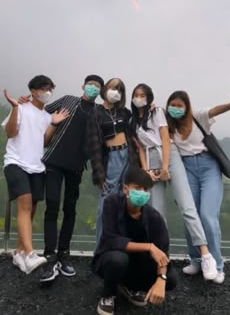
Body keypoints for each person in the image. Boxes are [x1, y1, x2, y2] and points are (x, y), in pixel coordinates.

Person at [18, 74, 104, 283]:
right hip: (54, 161)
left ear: (100, 92)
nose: (93, 88)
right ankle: (49, 255)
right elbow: (41, 111)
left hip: (76, 167)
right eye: (90, 84)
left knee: (70, 209)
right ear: (83, 85)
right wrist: (24, 101)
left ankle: (64, 254)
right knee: (52, 206)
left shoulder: (97, 112)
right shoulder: (68, 100)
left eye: (97, 86)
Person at [130, 83, 218, 281]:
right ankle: (162, 259)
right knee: (157, 213)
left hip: (169, 158)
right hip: (150, 163)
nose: (139, 98)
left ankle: (205, 255)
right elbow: (141, 148)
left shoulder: (158, 112)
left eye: (143, 95)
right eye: (136, 95)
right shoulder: (134, 120)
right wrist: (146, 170)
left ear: (149, 96)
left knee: (187, 207)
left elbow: (165, 139)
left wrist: (164, 167)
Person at [166, 91, 230, 284]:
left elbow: (216, 110)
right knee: (191, 215)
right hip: (186, 169)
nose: (176, 109)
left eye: (180, 105)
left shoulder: (197, 117)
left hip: (208, 168)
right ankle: (196, 260)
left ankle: (217, 265)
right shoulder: (169, 125)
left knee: (207, 216)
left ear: (187, 106)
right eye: (173, 105)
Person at [1, 75, 69, 274]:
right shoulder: (21, 108)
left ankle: (19, 252)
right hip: (16, 162)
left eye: (49, 88)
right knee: (25, 203)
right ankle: (30, 254)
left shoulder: (47, 116)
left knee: (31, 209)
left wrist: (54, 123)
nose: (46, 92)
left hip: (37, 166)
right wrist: (14, 107)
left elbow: (45, 142)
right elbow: (11, 133)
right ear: (32, 91)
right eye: (42, 88)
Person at [92, 167, 178, 315]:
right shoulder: (111, 203)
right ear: (126, 189)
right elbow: (111, 240)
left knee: (171, 279)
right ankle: (108, 295)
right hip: (110, 261)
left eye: (146, 189)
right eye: (137, 188)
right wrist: (149, 247)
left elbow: (163, 252)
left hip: (139, 265)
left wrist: (161, 278)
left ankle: (132, 287)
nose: (142, 193)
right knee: (118, 259)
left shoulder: (154, 218)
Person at [87, 78, 139, 245]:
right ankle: (101, 250)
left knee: (126, 205)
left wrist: (150, 107)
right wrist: (99, 175)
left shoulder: (124, 112)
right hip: (111, 160)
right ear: (105, 89)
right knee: (105, 206)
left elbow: (139, 123)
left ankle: (121, 247)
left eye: (119, 90)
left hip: (129, 157)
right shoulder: (95, 112)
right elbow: (94, 147)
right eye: (112, 88)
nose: (115, 92)